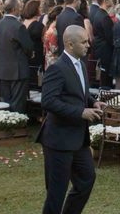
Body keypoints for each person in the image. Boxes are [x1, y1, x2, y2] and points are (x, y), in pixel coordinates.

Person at [38, 24, 105, 214]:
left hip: (78, 139)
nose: (88, 45)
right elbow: (48, 101)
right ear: (69, 44)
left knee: (86, 179)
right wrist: (80, 112)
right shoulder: (57, 68)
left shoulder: (80, 64)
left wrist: (93, 102)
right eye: (83, 42)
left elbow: (79, 93)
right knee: (56, 193)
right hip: (59, 139)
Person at [0, 0, 34, 113]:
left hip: (3, 69)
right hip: (18, 70)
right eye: (20, 7)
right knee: (17, 103)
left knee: (5, 103)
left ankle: (5, 122)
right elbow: (28, 47)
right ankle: (16, 123)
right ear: (14, 9)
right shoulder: (19, 26)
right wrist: (30, 54)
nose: (21, 10)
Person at [87, 0, 115, 88]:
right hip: (105, 51)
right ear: (105, 1)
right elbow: (110, 37)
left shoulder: (99, 14)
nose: (112, 0)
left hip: (100, 49)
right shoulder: (105, 17)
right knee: (106, 80)